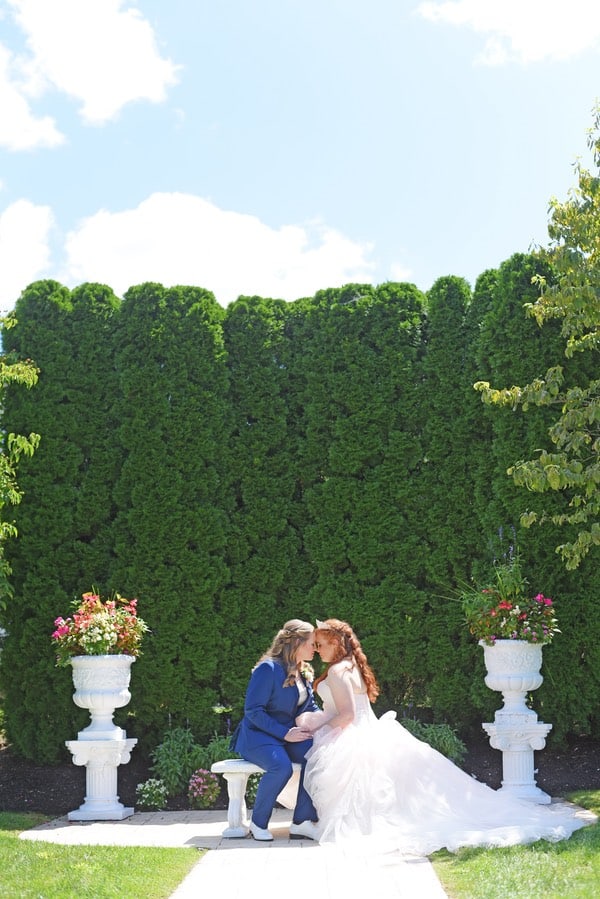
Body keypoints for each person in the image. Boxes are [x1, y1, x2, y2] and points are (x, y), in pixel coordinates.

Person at [296, 618, 589, 856]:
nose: (318, 650)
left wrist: (316, 726)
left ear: (336, 643)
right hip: (366, 730)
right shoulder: (351, 666)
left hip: (353, 736)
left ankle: (322, 825)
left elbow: (347, 715)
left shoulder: (338, 672)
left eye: (321, 644)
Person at [230, 619, 320, 841]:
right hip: (257, 736)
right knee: (281, 767)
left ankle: (301, 822)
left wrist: (330, 722)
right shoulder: (267, 669)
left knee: (317, 754)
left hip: (287, 736)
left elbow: (310, 707)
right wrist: (285, 733)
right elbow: (253, 711)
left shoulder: (303, 671)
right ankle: (258, 823)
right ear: (297, 642)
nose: (315, 649)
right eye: (312, 643)